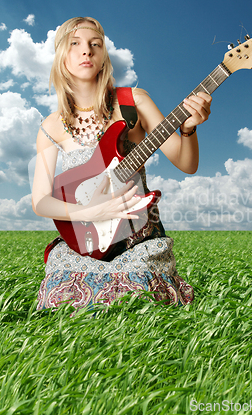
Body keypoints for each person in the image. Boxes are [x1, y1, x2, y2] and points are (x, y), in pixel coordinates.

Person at [32, 16, 212, 312]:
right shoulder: (50, 126)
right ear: (61, 57)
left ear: (104, 57)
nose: (86, 51)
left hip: (137, 236)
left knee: (138, 300)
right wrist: (91, 211)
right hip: (87, 239)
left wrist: (188, 129)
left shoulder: (133, 102)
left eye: (95, 44)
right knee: (60, 299)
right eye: (75, 44)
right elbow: (40, 201)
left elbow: (185, 163)